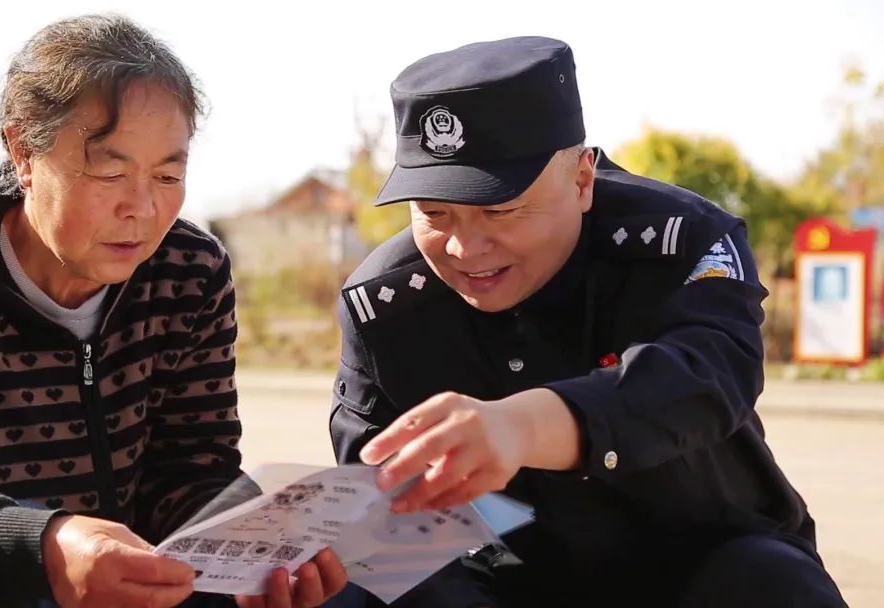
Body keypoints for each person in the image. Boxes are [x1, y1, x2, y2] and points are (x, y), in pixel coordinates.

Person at [0, 14, 345, 608]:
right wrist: (39, 547)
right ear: (24, 152)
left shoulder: (188, 272)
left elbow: (189, 470)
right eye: (110, 170)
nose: (141, 208)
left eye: (169, 174)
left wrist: (257, 544)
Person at [328, 36, 847, 607]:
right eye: (433, 212)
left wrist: (520, 427)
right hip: (505, 584)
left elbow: (708, 375)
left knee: (771, 583)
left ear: (581, 178)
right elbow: (384, 509)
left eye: (499, 209)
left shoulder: (679, 243)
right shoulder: (386, 303)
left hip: (700, 568)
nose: (463, 246)